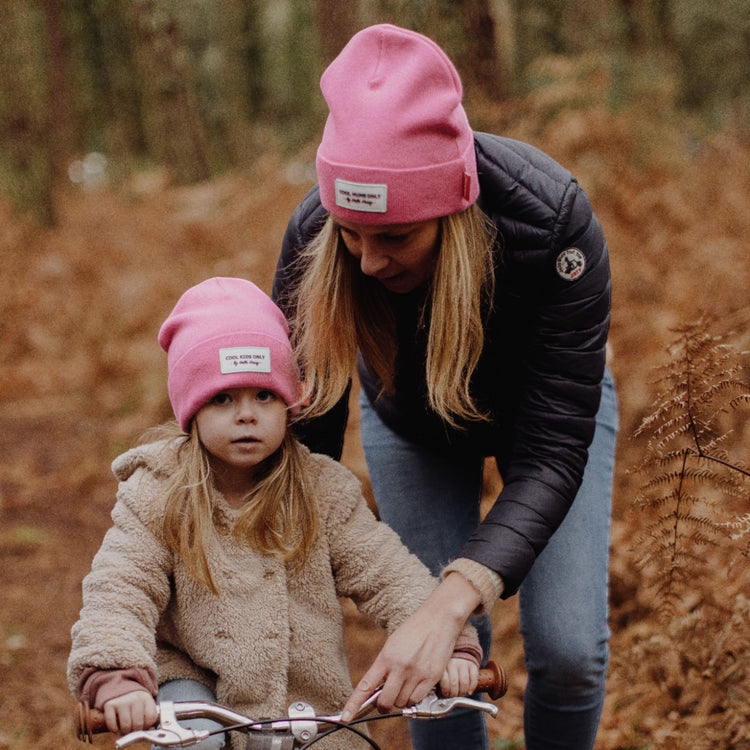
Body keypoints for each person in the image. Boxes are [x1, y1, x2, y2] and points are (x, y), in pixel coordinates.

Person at [272, 23, 618, 750]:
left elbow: (556, 453)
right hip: (409, 423)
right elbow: (305, 446)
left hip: (548, 428)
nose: (366, 263)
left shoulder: (550, 224)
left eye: (394, 237)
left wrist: (448, 604)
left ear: (452, 208)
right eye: (351, 234)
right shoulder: (313, 237)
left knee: (568, 652)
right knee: (438, 672)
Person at [67, 277, 482, 750]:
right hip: (198, 694)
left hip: (310, 709)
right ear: (192, 409)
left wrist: (445, 646)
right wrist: (117, 674)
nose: (247, 415)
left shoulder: (323, 491)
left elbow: (389, 575)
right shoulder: (157, 494)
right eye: (223, 398)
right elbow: (120, 589)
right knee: (199, 742)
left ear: (288, 403)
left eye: (264, 396)